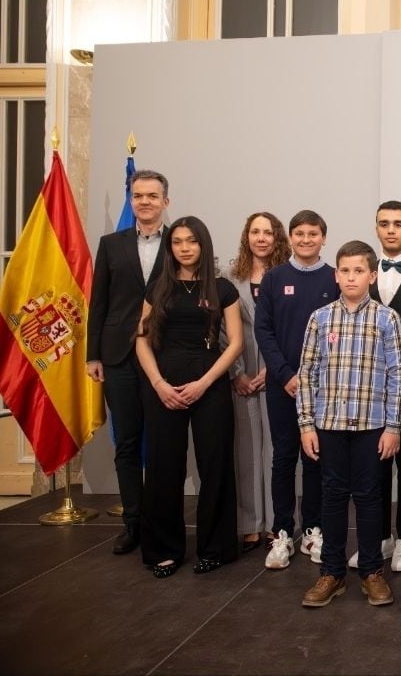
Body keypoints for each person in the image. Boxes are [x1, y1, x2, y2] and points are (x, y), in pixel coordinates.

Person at [298, 241, 401, 608]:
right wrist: (306, 425)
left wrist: (393, 426)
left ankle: (372, 571)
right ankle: (331, 572)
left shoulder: (386, 318)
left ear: (372, 275)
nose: (351, 277)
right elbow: (308, 373)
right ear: (336, 274)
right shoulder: (320, 318)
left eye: (358, 270)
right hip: (328, 425)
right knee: (331, 497)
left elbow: (399, 374)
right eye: (344, 270)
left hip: (372, 425)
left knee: (369, 497)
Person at [135, 216, 243, 578]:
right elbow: (142, 340)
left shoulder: (223, 289)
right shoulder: (158, 289)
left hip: (209, 383)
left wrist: (204, 382)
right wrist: (159, 384)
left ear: (203, 245)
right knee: (164, 467)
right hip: (163, 383)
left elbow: (236, 343)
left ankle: (215, 547)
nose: (184, 247)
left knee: (215, 465)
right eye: (178, 241)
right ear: (171, 248)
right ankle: (163, 549)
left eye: (192, 241)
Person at [86, 169, 169, 555]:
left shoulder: (181, 243)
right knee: (127, 443)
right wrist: (93, 355)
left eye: (152, 196)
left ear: (165, 201)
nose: (145, 202)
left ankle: (160, 520)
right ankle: (133, 522)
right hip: (117, 356)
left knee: (164, 443)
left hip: (165, 355)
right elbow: (98, 302)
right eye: (138, 196)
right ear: (131, 200)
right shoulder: (110, 244)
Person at [346, 201, 401, 573]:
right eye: (384, 224)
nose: (391, 230)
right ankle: (376, 537)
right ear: (376, 229)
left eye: (398, 224)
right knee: (370, 468)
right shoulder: (360, 274)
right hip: (369, 390)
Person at [254, 210, 335, 569]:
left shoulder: (334, 278)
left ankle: (314, 528)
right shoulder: (274, 278)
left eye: (313, 233)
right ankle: (283, 532)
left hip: (323, 388)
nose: (306, 239)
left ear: (323, 238)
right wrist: (286, 374)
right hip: (282, 385)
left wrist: (314, 379)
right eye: (299, 233)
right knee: (284, 457)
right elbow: (264, 331)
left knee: (316, 458)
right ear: (290, 237)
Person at [224, 212, 290, 553]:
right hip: (243, 371)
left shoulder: (286, 277)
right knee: (247, 450)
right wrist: (237, 373)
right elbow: (221, 330)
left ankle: (277, 524)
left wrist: (276, 370)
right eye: (255, 231)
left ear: (277, 237)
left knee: (278, 452)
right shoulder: (229, 278)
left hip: (278, 373)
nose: (261, 238)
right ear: (246, 236)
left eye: (268, 232)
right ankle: (250, 524)